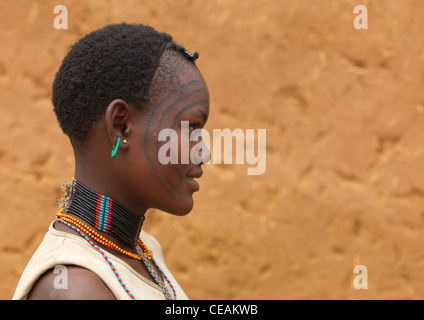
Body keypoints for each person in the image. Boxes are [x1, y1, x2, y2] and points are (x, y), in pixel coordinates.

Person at [12, 23, 210, 300]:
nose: (203, 153)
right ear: (121, 126)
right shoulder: (74, 287)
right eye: (191, 128)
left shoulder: (142, 252)